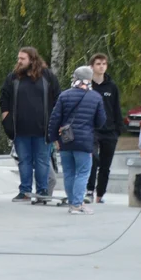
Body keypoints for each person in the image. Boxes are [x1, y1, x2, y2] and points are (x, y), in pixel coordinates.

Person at [0, 47, 60, 202]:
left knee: (42, 161)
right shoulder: (13, 77)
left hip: (43, 129)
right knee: (24, 161)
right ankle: (25, 191)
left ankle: (42, 191)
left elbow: (58, 99)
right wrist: (6, 119)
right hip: (20, 129)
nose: (19, 61)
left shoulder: (47, 76)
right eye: (18, 58)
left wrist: (56, 124)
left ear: (32, 59)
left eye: (22, 58)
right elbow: (4, 99)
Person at [49, 65, 107, 214]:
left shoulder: (64, 95)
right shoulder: (95, 97)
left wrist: (54, 138)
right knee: (82, 172)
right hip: (85, 141)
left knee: (69, 172)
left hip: (66, 140)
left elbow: (55, 119)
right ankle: (77, 204)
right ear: (90, 79)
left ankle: (72, 203)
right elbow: (101, 121)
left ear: (75, 77)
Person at [87, 53, 125, 203]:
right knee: (93, 159)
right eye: (98, 64)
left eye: (104, 64)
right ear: (92, 67)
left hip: (109, 131)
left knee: (105, 164)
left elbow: (116, 107)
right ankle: (89, 190)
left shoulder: (112, 86)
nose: (101, 66)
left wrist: (118, 129)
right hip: (92, 130)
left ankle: (100, 194)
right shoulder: (88, 86)